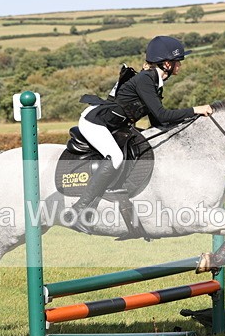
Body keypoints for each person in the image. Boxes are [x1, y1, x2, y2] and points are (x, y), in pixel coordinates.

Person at [68, 35, 213, 233]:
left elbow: (158, 121)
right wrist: (194, 110)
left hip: (116, 124)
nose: (181, 65)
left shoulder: (155, 81)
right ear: (167, 64)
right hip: (95, 122)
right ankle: (78, 210)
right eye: (179, 61)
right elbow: (162, 115)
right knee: (116, 157)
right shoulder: (146, 79)